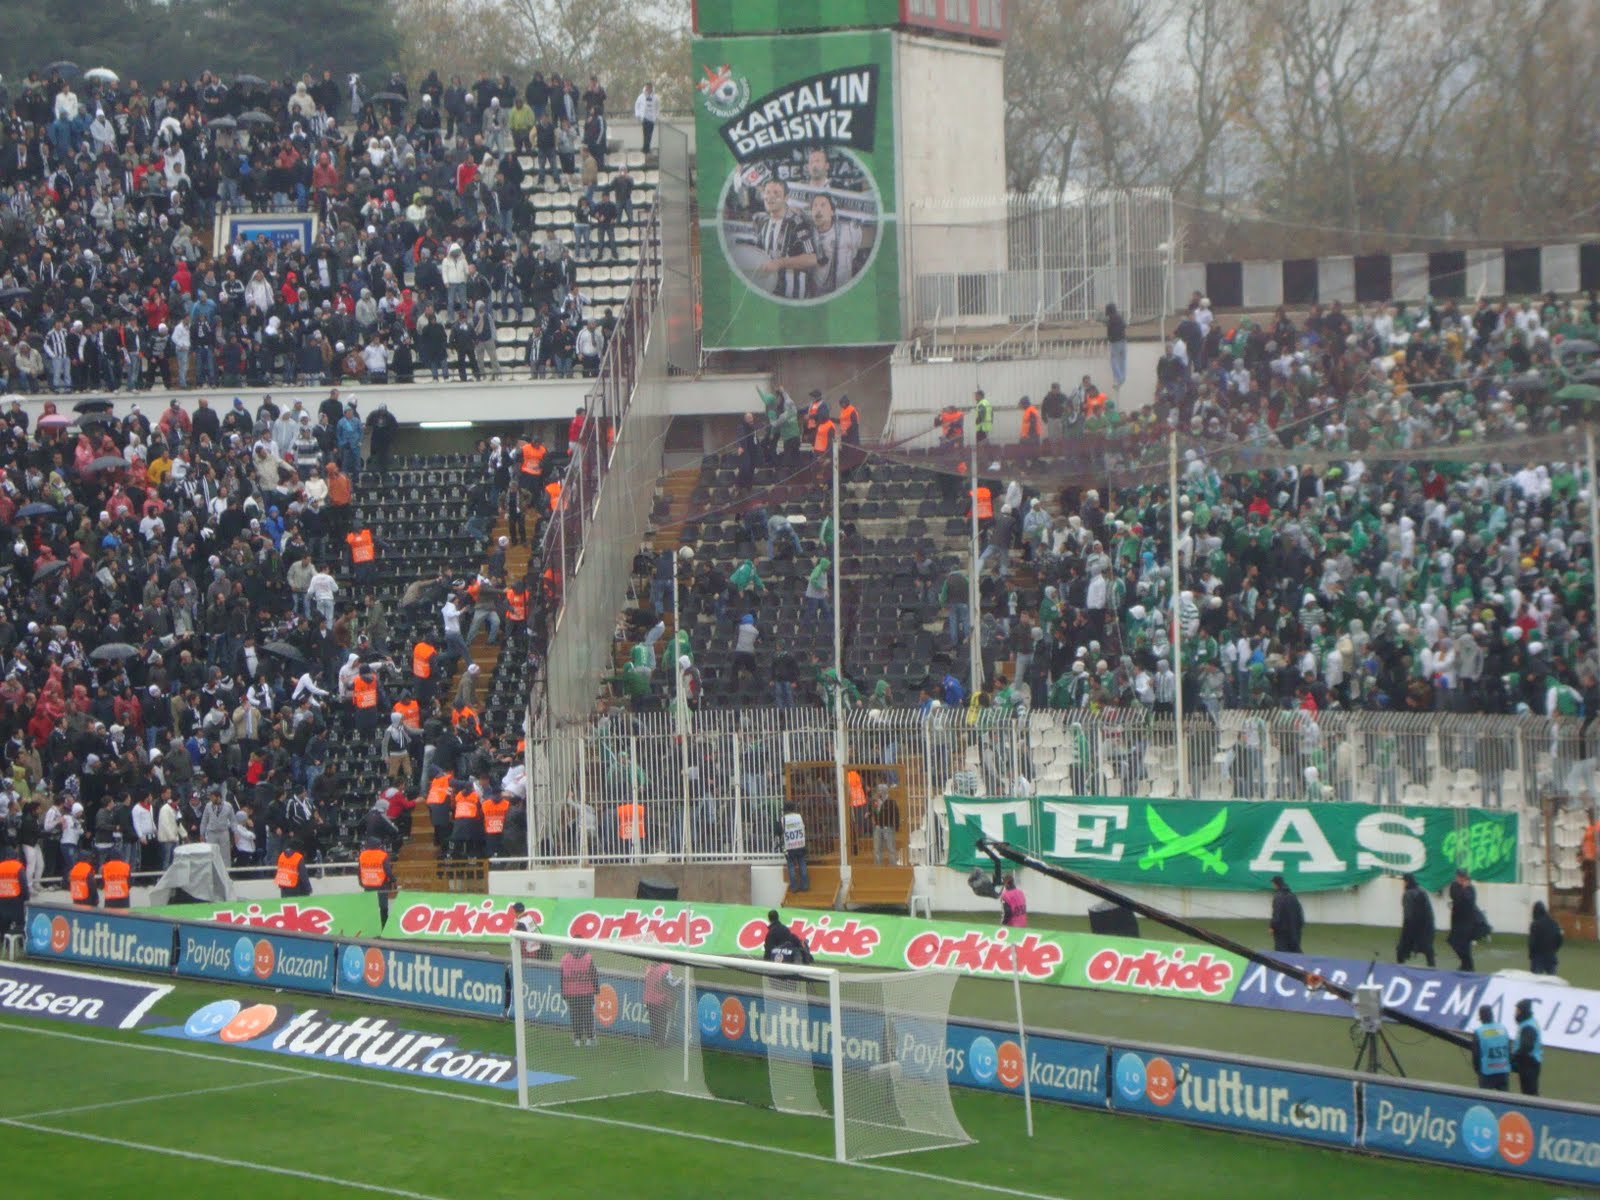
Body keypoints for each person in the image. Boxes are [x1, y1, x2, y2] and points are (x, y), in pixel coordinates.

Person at [560, 943, 599, 1047]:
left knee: (575, 1016)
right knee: (588, 1016)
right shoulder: (588, 958)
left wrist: (563, 992)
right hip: (586, 992)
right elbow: (593, 974)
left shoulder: (565, 959)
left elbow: (562, 976)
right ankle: (590, 1038)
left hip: (571, 993)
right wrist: (596, 988)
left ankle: (577, 1038)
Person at [1448, 868, 1487, 971]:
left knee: (1464, 945)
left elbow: (1470, 901)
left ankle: (1468, 966)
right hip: (1457, 920)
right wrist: (1462, 890)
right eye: (1459, 877)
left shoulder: (1470, 889)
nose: (1460, 879)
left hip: (1467, 921)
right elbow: (1455, 897)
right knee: (1453, 942)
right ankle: (1465, 964)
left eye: (1463, 877)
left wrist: (1465, 889)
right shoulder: (1454, 886)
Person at [1395, 872, 1436, 967]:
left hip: (1413, 928)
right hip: (1426, 927)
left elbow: (1408, 916)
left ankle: (1399, 969)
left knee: (1401, 950)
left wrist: (1406, 933)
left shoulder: (1408, 895)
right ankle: (1432, 969)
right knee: (1428, 950)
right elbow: (1429, 911)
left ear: (1406, 882)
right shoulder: (1422, 892)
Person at [1471, 1004, 1511, 1091]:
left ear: (1481, 1017)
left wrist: (1477, 1069)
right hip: (1503, 1070)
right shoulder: (1503, 1029)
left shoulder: (1479, 1032)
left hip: (1487, 1071)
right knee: (1505, 1100)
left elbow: (1476, 1054)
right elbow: (1509, 1050)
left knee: (1486, 1100)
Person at [358, 842, 396, 930]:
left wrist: (361, 882)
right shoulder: (382, 855)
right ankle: (384, 926)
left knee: (370, 906)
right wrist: (393, 879)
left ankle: (370, 926)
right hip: (381, 885)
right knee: (383, 906)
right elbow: (388, 870)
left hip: (367, 884)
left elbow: (359, 870)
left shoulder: (362, 855)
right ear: (379, 846)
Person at [642, 958, 681, 1046]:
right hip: (660, 1000)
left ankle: (655, 1040)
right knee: (662, 1021)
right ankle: (661, 1042)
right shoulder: (665, 969)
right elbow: (670, 983)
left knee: (653, 1021)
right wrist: (679, 981)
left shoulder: (649, 968)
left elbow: (646, 980)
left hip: (649, 999)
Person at [1510, 998, 1542, 1096]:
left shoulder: (1528, 1027)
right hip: (1528, 1063)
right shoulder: (1529, 1023)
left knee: (1529, 1094)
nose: (1515, 1014)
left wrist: (1513, 1057)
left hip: (1529, 1064)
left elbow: (1526, 1047)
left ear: (1522, 1011)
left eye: (1517, 1011)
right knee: (1528, 1092)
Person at [1269, 874, 1304, 953]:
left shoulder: (1278, 897)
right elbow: (1300, 913)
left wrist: (1272, 927)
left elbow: (1276, 915)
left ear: (1275, 884)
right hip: (1295, 930)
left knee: (1282, 953)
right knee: (1295, 951)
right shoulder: (1293, 895)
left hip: (1282, 931)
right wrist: (1299, 926)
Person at [1527, 900, 1563, 975]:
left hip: (1538, 957)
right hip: (1551, 956)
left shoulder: (1535, 924)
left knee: (1534, 982)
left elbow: (1532, 942)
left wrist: (1531, 955)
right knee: (1552, 983)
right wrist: (1554, 950)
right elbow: (1559, 939)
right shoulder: (1554, 923)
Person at [781, 802, 808, 894]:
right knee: (802, 865)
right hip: (800, 844)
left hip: (789, 847)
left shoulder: (783, 819)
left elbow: (779, 831)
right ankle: (805, 886)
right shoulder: (799, 817)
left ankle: (794, 887)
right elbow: (804, 828)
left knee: (791, 866)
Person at [0, 850, 27, 938]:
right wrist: (25, 897)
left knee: (3, 925)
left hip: (2, 899)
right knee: (20, 925)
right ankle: (20, 944)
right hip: (16, 899)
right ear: (16, 857)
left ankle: (4, 944)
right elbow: (23, 884)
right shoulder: (18, 867)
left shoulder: (0, 866)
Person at [870, 783, 898, 865]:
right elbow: (872, 811)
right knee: (877, 849)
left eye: (880, 790)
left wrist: (895, 826)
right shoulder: (875, 802)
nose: (878, 792)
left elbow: (896, 815)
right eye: (878, 790)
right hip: (878, 827)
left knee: (891, 848)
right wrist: (871, 816)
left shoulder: (891, 802)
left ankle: (893, 866)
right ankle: (878, 866)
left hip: (888, 827)